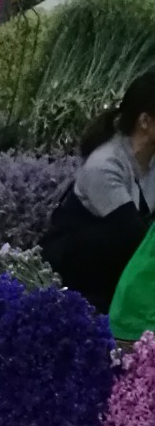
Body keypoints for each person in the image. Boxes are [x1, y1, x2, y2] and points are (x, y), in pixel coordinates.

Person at [43, 73, 155, 317]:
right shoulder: (105, 165)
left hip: (117, 279)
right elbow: (136, 240)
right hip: (77, 286)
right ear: (144, 121)